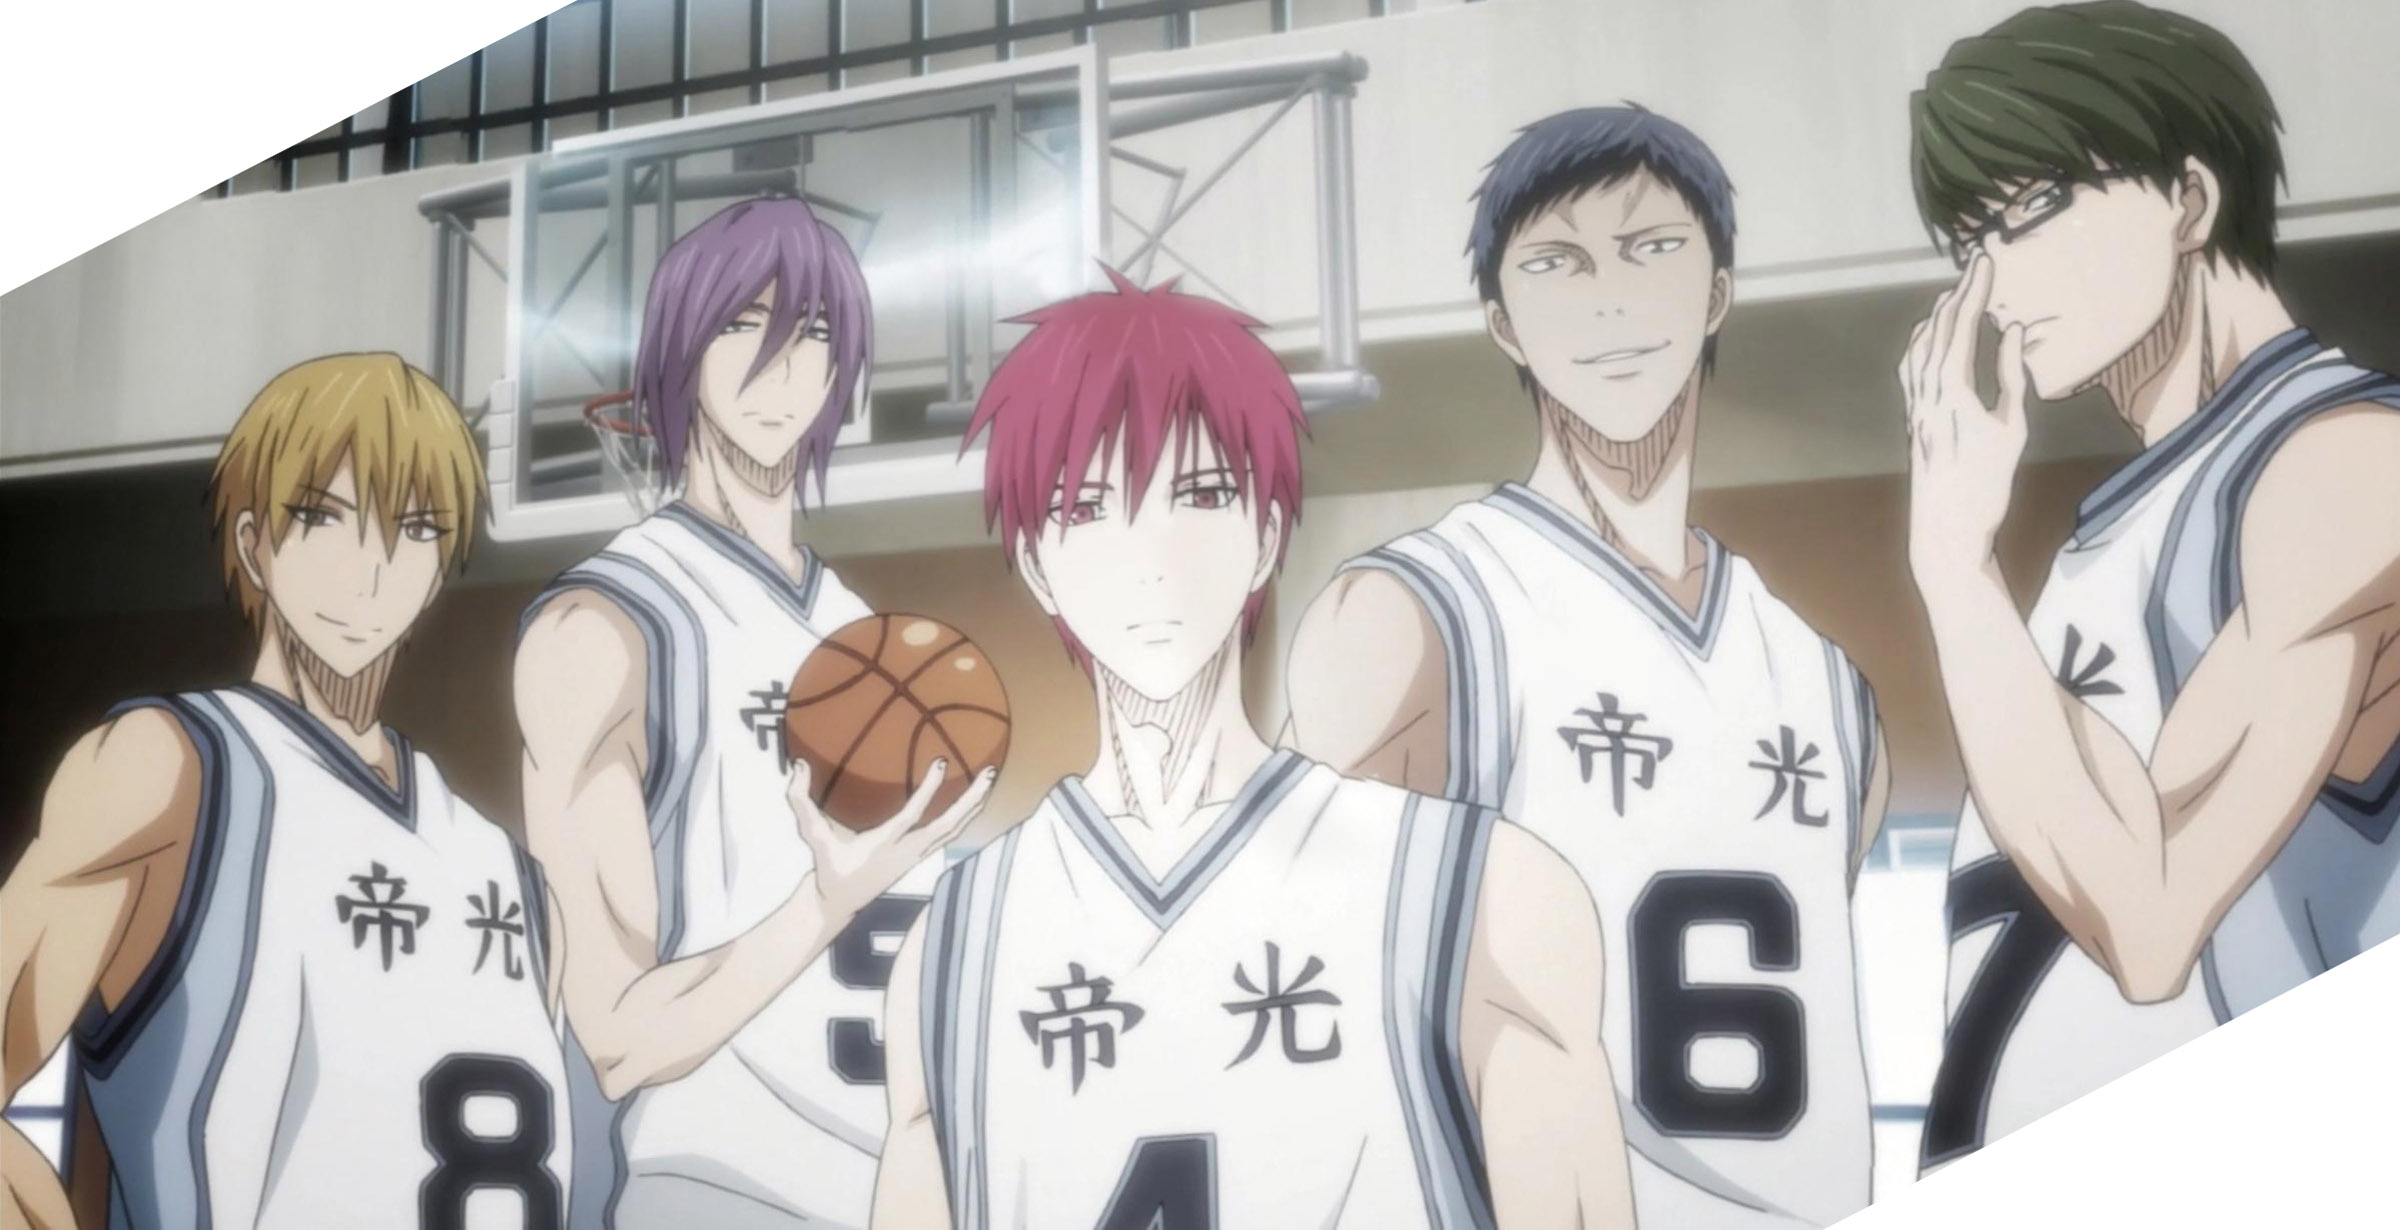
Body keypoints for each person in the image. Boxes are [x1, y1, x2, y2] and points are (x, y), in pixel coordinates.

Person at [870, 271, 1637, 1230]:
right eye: (1086, 507)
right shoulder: (952, 946)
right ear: (1036, 563)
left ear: (1266, 535)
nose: (1149, 556)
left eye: (1198, 495)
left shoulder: (1480, 889)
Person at [1283, 108, 1885, 1227]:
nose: (1610, 297)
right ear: (1503, 325)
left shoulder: (1826, 683)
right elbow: (1281, 987)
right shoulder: (1415, 614)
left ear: (1716, 291)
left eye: (1651, 247)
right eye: (1557, 262)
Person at [1901, 0, 2400, 1171]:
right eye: (1970, 241)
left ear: (2189, 199)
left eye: (2032, 212)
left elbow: (2152, 917)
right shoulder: (2121, 522)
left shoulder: (2344, 460)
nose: (1992, 282)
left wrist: (1954, 567)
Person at [0, 353, 570, 1229]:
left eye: (414, 526)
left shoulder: (512, 873)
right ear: (253, 544)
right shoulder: (166, 769)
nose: (370, 565)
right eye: (324, 517)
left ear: (440, 565)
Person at [514, 197, 993, 1229]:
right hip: (711, 1188)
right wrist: (827, 902)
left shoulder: (863, 635)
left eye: (812, 331)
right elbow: (616, 1038)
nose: (781, 363)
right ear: (678, 353)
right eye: (742, 324)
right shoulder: (603, 628)